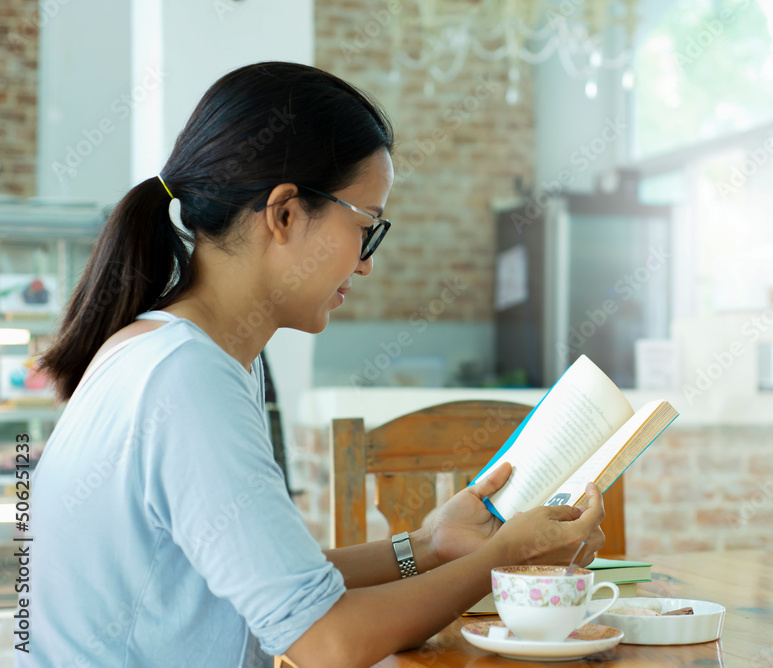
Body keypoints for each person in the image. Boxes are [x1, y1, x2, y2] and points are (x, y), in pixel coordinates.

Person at [28, 62, 605, 668]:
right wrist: (501, 558)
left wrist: (430, 546)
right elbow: (326, 643)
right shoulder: (186, 377)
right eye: (366, 228)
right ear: (283, 214)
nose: (365, 265)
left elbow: (281, 586)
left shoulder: (178, 351)